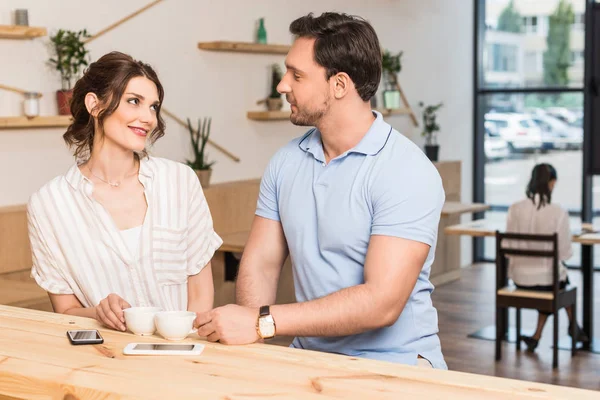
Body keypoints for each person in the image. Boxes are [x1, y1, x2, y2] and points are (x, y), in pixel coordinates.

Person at [195, 12, 447, 369]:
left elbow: (382, 302)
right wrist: (251, 341)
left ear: (339, 85)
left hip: (396, 362)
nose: (283, 85)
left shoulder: (406, 171)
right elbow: (262, 265)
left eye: (297, 75)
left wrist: (261, 322)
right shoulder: (285, 162)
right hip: (309, 357)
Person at [27, 51, 222, 331]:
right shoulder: (49, 205)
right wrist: (99, 312)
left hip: (181, 359)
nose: (149, 117)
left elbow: (201, 297)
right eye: (134, 102)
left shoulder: (180, 182)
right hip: (103, 363)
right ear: (94, 105)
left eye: (153, 107)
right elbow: (65, 311)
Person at [506, 163, 589, 351]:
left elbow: (508, 249)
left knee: (555, 279)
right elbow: (565, 253)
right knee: (558, 280)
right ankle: (573, 327)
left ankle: (539, 336)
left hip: (519, 280)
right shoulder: (558, 211)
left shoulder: (515, 208)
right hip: (546, 282)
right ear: (551, 183)